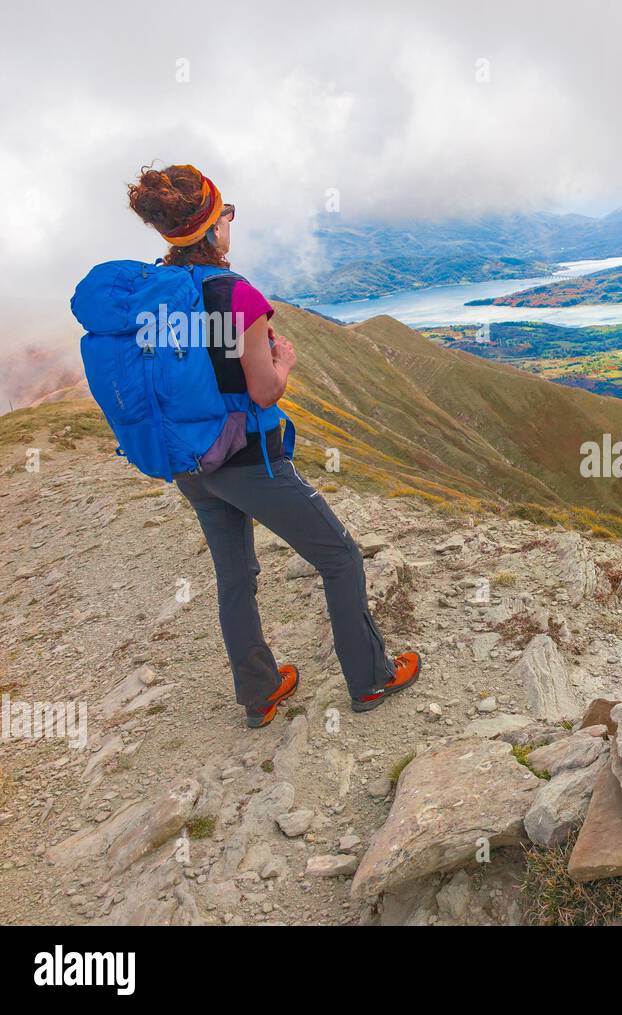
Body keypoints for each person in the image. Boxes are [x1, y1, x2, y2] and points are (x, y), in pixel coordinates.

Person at [126, 164, 419, 728]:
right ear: (212, 228)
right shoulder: (235, 294)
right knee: (340, 557)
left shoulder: (152, 291)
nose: (230, 222)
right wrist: (283, 361)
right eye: (226, 213)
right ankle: (371, 679)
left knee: (235, 576)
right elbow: (262, 389)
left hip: (191, 461)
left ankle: (260, 693)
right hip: (244, 459)